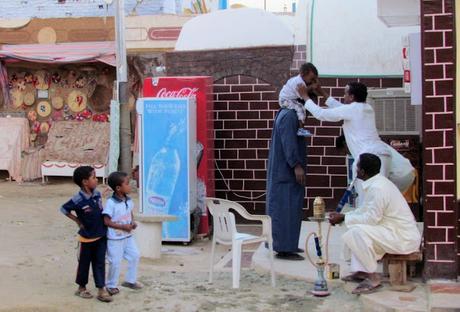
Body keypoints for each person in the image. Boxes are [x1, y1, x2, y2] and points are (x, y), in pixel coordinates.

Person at [298, 81, 413, 204]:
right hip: (384, 155)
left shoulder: (352, 110)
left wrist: (305, 97)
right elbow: (341, 108)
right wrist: (321, 92)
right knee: (380, 197)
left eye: (345, 94)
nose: (343, 96)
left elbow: (321, 114)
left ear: (352, 97)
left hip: (368, 158)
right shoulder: (367, 108)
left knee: (366, 200)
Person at [328, 153, 421, 295]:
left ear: (362, 172)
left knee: (356, 232)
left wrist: (343, 218)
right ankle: (361, 272)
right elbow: (364, 211)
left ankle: (372, 276)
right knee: (355, 228)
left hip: (402, 237)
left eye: (357, 167)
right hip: (392, 231)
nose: (356, 169)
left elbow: (372, 219)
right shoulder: (376, 183)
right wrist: (344, 217)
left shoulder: (378, 188)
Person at [266, 63, 317, 260]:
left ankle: (288, 244)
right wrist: (297, 166)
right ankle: (284, 248)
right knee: (284, 209)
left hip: (286, 173)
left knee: (290, 208)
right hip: (286, 173)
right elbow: (289, 144)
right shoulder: (288, 116)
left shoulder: (290, 114)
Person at [60, 166, 112, 302]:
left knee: (100, 262)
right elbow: (64, 209)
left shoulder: (97, 194)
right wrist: (77, 220)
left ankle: (101, 288)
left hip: (101, 234)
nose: (96, 180)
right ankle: (81, 288)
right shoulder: (77, 199)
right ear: (85, 182)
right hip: (86, 237)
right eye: (94, 177)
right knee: (84, 263)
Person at [103, 171, 142, 296]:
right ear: (118, 188)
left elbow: (130, 212)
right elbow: (106, 221)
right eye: (127, 184)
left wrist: (132, 222)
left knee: (135, 255)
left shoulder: (128, 200)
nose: (130, 186)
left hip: (128, 236)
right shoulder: (111, 203)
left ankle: (130, 280)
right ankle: (111, 285)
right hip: (115, 238)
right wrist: (122, 226)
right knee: (115, 262)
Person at [279, 62, 318, 137]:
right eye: (311, 79)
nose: (311, 81)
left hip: (287, 98)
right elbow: (302, 93)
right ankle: (301, 129)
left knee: (301, 108)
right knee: (301, 109)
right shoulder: (299, 82)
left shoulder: (299, 79)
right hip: (285, 100)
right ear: (303, 74)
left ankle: (301, 128)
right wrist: (312, 87)